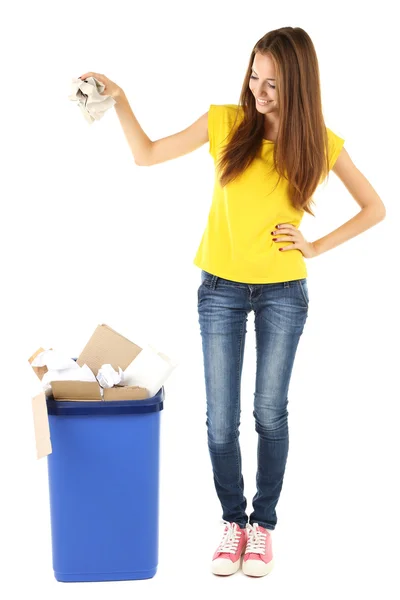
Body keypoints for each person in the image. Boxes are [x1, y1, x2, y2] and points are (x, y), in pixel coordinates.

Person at [78, 26, 386, 579]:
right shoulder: (224, 122)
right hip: (218, 290)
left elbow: (374, 207)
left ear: (300, 85)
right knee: (220, 421)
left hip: (284, 294)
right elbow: (147, 155)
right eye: (254, 75)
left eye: (273, 83)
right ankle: (232, 522)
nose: (259, 90)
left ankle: (262, 526)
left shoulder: (318, 139)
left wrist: (313, 246)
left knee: (269, 412)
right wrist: (121, 100)